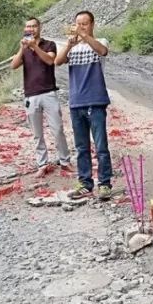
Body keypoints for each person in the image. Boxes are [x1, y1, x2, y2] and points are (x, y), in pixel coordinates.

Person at [55, 10, 112, 201]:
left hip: (96, 101)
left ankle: (104, 184)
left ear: (92, 24)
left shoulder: (100, 42)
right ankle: (85, 183)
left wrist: (85, 36)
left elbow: (103, 51)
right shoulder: (73, 47)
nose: (80, 27)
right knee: (81, 147)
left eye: (84, 24)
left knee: (101, 145)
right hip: (76, 102)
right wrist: (70, 44)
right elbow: (58, 61)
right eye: (78, 24)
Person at [10, 16, 72, 174]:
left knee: (57, 129)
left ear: (39, 28)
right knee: (37, 133)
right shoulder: (24, 47)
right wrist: (22, 48)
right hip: (31, 94)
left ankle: (65, 161)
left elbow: (50, 61)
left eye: (33, 26)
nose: (31, 29)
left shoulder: (49, 44)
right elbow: (14, 65)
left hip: (49, 92)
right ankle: (42, 164)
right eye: (28, 27)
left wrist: (35, 47)